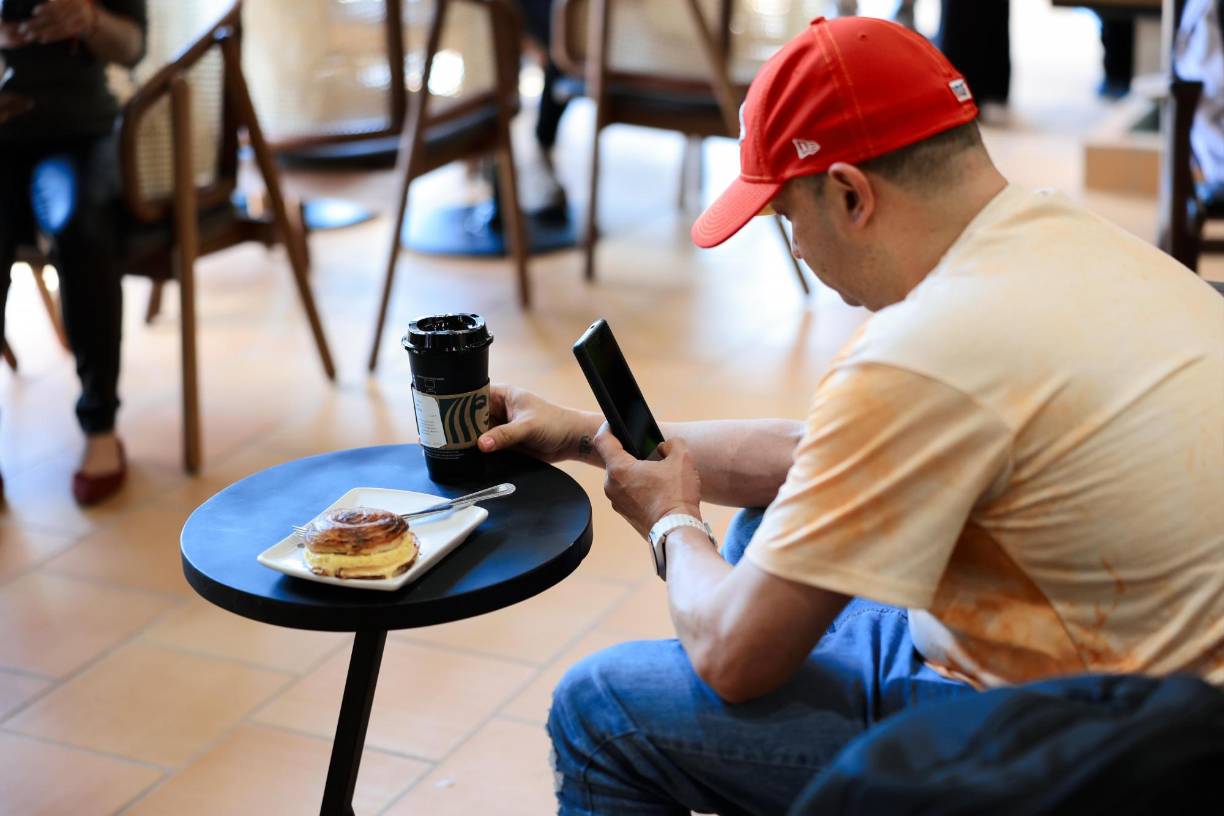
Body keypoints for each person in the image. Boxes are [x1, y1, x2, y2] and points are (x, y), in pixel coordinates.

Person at [474, 16, 1224, 815]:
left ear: (849, 194)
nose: (797, 247)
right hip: (1178, 692)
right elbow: (825, 454)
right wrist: (590, 436)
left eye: (787, 218)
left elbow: (731, 657)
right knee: (766, 526)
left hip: (1107, 748)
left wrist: (671, 522)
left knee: (601, 709)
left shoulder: (925, 350)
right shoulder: (1068, 240)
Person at [0, 0, 145, 505]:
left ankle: (100, 425)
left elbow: (133, 46)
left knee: (85, 225)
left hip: (80, 129)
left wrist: (90, 19)